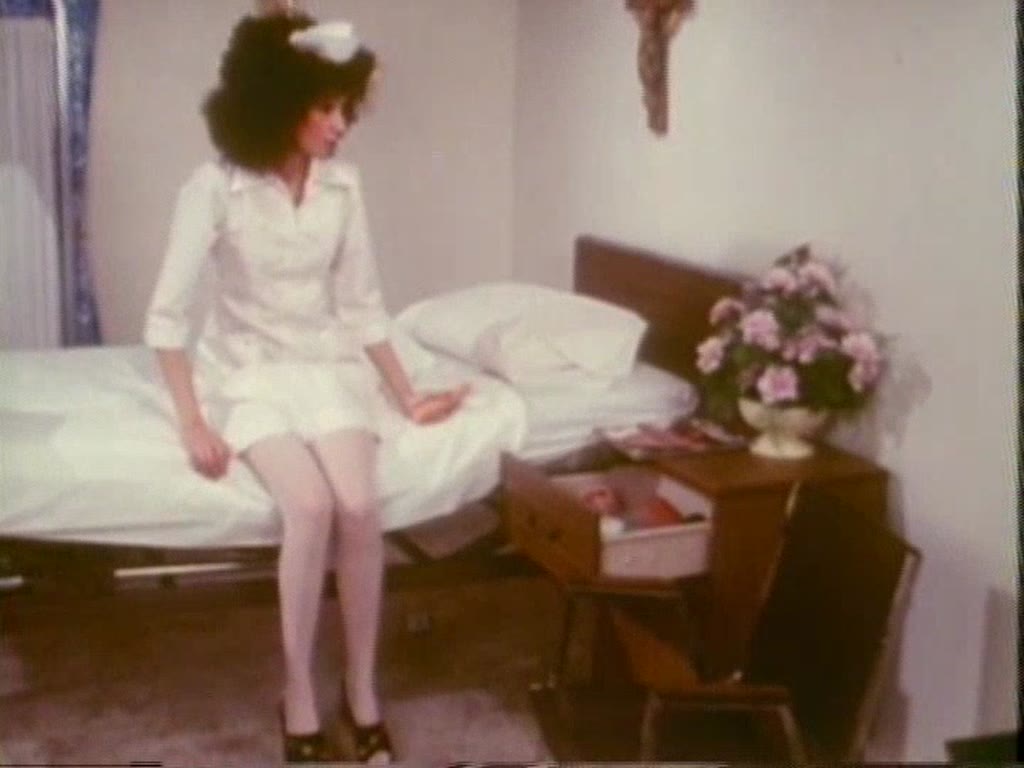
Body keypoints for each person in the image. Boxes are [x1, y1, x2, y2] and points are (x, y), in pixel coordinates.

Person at [143, 12, 469, 764]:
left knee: (360, 505)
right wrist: (193, 421)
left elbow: (362, 306)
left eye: (345, 108)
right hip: (248, 373)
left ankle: (362, 690)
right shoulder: (214, 188)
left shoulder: (344, 188)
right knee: (311, 505)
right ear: (274, 105)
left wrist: (407, 394)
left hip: (325, 367)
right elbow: (166, 316)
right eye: (324, 108)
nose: (340, 125)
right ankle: (297, 694)